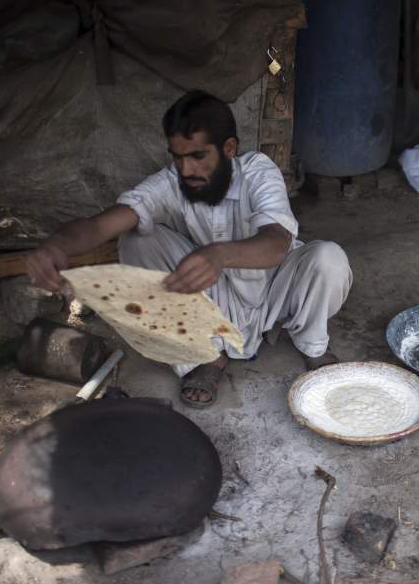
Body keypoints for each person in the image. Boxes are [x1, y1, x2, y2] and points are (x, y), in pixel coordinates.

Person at [27, 90, 352, 408]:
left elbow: (277, 244)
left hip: (273, 287)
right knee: (136, 241)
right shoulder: (171, 183)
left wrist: (218, 254)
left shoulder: (257, 171)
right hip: (212, 294)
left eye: (197, 156)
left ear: (228, 149)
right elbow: (100, 225)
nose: (186, 170)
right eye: (178, 157)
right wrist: (57, 245)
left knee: (329, 258)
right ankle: (207, 356)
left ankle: (312, 344)